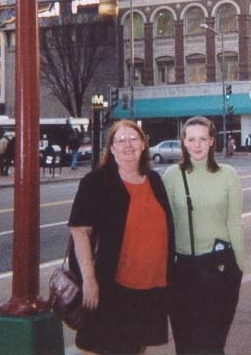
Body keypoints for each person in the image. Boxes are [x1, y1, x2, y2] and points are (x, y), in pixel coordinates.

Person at [68, 119, 174, 355]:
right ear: (112, 148)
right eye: (121, 140)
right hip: (113, 286)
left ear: (144, 144)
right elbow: (80, 231)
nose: (128, 145)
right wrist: (89, 280)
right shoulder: (97, 181)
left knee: (137, 346)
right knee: (106, 346)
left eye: (134, 139)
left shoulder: (155, 181)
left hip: (151, 285)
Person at [163, 116, 244, 355]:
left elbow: (234, 222)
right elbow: (165, 225)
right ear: (184, 143)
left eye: (202, 139)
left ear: (211, 142)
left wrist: (239, 266)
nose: (196, 145)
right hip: (182, 269)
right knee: (186, 343)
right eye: (191, 139)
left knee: (213, 343)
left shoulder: (228, 175)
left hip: (219, 266)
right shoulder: (172, 175)